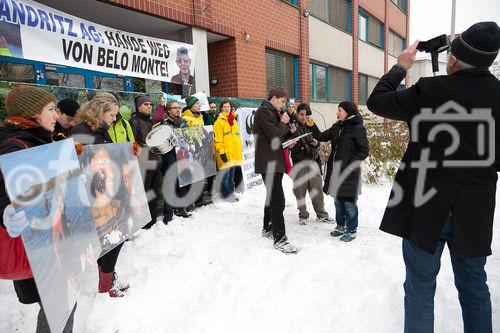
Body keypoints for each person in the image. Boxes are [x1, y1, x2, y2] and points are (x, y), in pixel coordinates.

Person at [366, 22, 500, 332]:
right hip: (474, 212)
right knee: (474, 288)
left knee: (420, 288)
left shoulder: (430, 90)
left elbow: (377, 102)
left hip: (425, 207)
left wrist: (400, 68)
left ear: (453, 59)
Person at [0, 86, 78, 332]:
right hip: (40, 245)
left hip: (52, 238)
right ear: (33, 113)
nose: (56, 114)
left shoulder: (41, 139)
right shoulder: (15, 145)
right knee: (60, 305)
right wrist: (5, 210)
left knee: (62, 303)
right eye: (50, 109)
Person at [71, 92, 129, 298]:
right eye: (112, 115)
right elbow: (82, 165)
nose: (115, 119)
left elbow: (109, 155)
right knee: (115, 237)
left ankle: (108, 278)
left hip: (108, 189)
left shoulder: (100, 128)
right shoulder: (81, 131)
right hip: (96, 194)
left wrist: (128, 152)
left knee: (112, 237)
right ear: (100, 111)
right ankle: (106, 284)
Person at [308, 101, 368, 242]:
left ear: (348, 112)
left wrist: (349, 165)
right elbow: (322, 136)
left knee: (349, 202)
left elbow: (364, 151)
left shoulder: (357, 128)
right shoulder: (337, 127)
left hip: (349, 173)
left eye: (340, 110)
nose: (337, 113)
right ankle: (340, 226)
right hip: (335, 170)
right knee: (338, 201)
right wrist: (310, 124)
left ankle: (351, 229)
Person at [254, 87, 298, 253]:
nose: (283, 105)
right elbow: (274, 134)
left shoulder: (272, 111)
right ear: (273, 98)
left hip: (274, 161)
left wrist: (289, 139)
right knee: (278, 200)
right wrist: (284, 123)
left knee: (272, 197)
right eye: (282, 101)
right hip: (269, 163)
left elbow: (277, 137)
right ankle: (280, 239)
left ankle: (268, 227)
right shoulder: (264, 112)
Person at [290, 103, 332, 225]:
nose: (304, 117)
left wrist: (316, 143)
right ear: (297, 113)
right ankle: (303, 215)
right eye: (302, 114)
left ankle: (321, 214)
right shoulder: (292, 126)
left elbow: (319, 137)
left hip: (313, 161)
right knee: (300, 190)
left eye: (306, 115)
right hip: (299, 162)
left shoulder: (311, 125)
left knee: (317, 189)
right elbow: (288, 142)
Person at [129, 95, 162, 229]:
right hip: (142, 163)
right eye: (146, 104)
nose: (149, 106)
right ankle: (143, 222)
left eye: (150, 104)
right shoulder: (134, 122)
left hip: (156, 161)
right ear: (139, 106)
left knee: (154, 191)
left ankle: (152, 219)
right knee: (143, 192)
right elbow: (132, 143)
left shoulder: (152, 122)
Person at [159, 101, 191, 222]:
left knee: (182, 183)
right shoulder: (164, 124)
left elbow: (189, 137)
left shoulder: (184, 122)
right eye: (175, 108)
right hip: (170, 157)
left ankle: (180, 208)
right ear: (168, 111)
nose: (178, 109)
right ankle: (168, 214)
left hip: (182, 156)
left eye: (179, 107)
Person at [213, 100, 243, 201]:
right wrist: (221, 152)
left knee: (231, 176)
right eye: (224, 107)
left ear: (231, 108)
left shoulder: (233, 121)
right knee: (225, 177)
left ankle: (231, 193)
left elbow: (237, 138)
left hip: (234, 153)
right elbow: (218, 140)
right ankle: (227, 195)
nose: (226, 109)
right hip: (225, 154)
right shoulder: (218, 123)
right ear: (221, 108)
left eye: (228, 107)